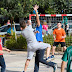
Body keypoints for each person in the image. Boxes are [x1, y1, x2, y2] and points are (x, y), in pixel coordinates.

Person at [33, 5, 57, 72]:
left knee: (40, 59)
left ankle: (53, 64)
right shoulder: (35, 28)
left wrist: (36, 11)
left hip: (40, 45)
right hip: (37, 45)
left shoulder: (39, 26)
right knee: (37, 59)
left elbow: (37, 19)